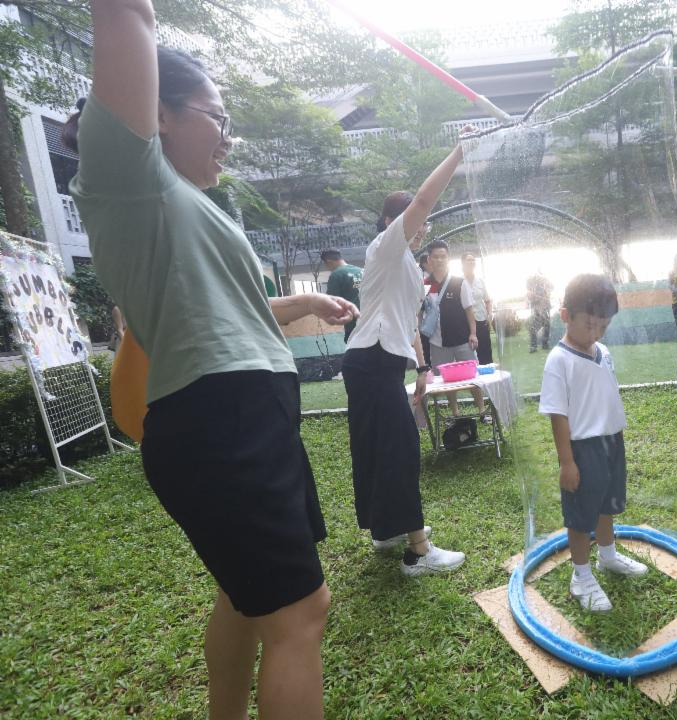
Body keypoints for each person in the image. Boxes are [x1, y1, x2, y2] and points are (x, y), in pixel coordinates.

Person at [66, 4, 358, 715]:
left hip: (244, 412)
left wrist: (300, 308)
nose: (229, 137)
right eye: (218, 117)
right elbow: (128, 15)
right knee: (300, 614)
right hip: (221, 418)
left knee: (246, 597)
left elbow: (229, 318)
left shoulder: (191, 205)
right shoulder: (131, 177)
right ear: (156, 115)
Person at [342, 151, 469, 577]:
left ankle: (385, 529)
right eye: (417, 224)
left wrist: (421, 370)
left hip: (382, 362)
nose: (423, 230)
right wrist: (459, 154)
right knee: (399, 448)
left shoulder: (410, 270)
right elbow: (422, 201)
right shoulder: (385, 247)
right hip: (371, 359)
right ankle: (418, 551)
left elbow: (410, 323)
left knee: (379, 446)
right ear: (392, 223)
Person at [539, 274, 647, 612]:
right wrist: (567, 462)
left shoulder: (603, 351)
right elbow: (558, 415)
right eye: (590, 325)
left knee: (606, 504)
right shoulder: (559, 360)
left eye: (603, 326)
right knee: (581, 512)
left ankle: (608, 556)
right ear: (565, 315)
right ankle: (581, 575)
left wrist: (615, 437)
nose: (596, 333)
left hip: (612, 441)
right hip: (582, 449)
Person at [421, 240, 478, 370]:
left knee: (473, 380)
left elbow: (469, 311)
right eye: (435, 257)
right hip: (437, 344)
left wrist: (473, 334)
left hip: (463, 341)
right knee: (442, 384)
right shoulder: (424, 285)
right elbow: (419, 312)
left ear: (448, 259)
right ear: (429, 260)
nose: (439, 260)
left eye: (443, 256)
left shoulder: (460, 283)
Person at [321, 248, 364, 341]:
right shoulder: (362, 271)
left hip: (354, 324)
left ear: (328, 261)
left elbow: (331, 302)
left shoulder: (336, 275)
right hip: (374, 320)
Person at [462, 252, 494, 365]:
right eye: (468, 260)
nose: (471, 262)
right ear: (462, 263)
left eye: (473, 260)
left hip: (481, 321)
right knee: (470, 355)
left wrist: (489, 315)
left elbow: (488, 300)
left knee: (485, 353)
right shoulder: (459, 282)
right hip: (466, 323)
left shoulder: (480, 281)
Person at [526, 271, 553, 353]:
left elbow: (550, 289)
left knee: (546, 326)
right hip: (537, 308)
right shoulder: (532, 286)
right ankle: (534, 346)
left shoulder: (544, 284)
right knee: (535, 327)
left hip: (544, 307)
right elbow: (530, 296)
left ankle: (543, 344)